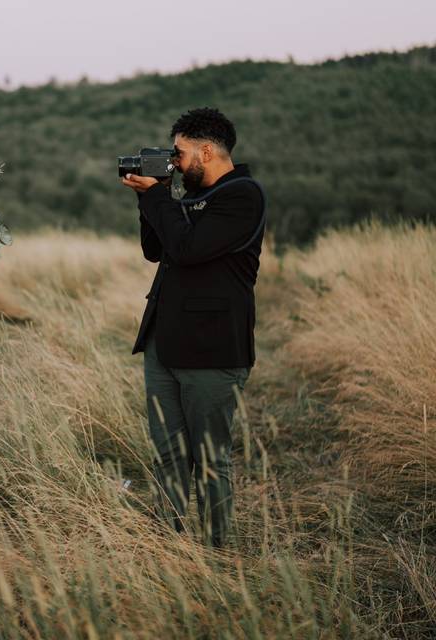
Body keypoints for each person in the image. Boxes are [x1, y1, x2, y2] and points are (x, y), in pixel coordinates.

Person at [120, 106, 265, 547]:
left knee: (209, 457)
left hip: (213, 347)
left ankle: (217, 550)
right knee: (168, 455)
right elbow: (155, 248)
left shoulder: (243, 195)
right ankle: (169, 545)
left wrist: (159, 197)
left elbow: (186, 249)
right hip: (164, 342)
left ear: (206, 150)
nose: (174, 163)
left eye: (180, 154)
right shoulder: (185, 195)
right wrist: (152, 196)